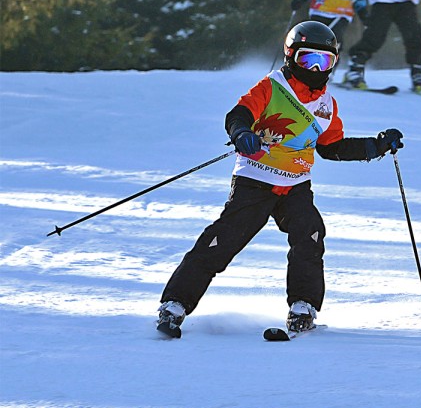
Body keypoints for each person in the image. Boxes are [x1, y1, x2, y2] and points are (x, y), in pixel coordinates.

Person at [157, 21, 404, 337]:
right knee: (223, 239)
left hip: (296, 185)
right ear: (290, 55)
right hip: (255, 180)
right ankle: (175, 304)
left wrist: (377, 145)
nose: (315, 68)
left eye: (323, 61)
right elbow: (239, 114)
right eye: (307, 59)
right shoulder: (272, 87)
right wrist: (242, 133)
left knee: (310, 234)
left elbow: (333, 147)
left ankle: (303, 306)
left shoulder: (326, 104)